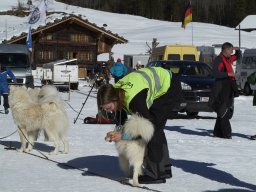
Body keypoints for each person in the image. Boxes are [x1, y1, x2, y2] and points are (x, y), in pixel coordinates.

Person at [97, 67, 182, 184]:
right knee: (155, 126)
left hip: (169, 86)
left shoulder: (134, 100)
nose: (109, 111)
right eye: (105, 109)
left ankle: (155, 174)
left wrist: (124, 137)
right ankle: (163, 169)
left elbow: (147, 130)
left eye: (109, 107)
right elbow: (121, 122)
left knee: (153, 129)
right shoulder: (116, 93)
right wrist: (119, 132)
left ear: (115, 99)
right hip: (157, 84)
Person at [209, 42, 241, 139]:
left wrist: (237, 50)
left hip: (228, 87)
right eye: (230, 50)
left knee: (223, 111)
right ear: (226, 50)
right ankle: (226, 134)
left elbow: (237, 57)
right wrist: (227, 74)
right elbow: (215, 73)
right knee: (224, 111)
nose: (232, 53)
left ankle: (217, 132)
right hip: (221, 88)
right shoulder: (219, 60)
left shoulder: (227, 58)